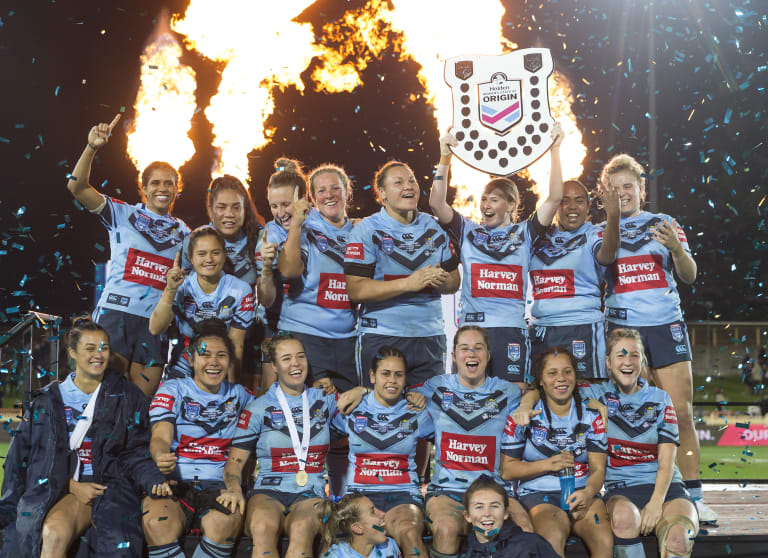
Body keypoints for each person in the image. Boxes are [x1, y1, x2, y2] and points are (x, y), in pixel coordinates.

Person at [598, 154, 715, 522]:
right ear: (606, 194)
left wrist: (678, 250)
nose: (623, 194)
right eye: (615, 189)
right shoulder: (600, 229)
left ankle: (693, 497)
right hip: (620, 329)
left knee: (680, 413)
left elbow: (690, 275)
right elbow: (600, 267)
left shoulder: (664, 223)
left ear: (642, 189)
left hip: (665, 326)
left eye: (628, 187)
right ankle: (618, 487)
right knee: (621, 414)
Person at [516, 329, 700, 558]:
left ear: (642, 361)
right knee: (623, 521)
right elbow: (542, 388)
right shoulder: (595, 392)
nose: (628, 362)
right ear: (608, 362)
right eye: (620, 355)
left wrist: (655, 503)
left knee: (678, 540)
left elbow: (667, 461)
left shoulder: (660, 398)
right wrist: (525, 405)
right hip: (622, 490)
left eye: (634, 355)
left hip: (667, 490)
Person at [0, 319, 170, 558]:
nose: (98, 355)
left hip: (113, 489)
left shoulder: (128, 396)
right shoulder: (46, 401)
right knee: (53, 532)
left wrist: (153, 479)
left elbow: (135, 451)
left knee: (119, 545)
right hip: (59, 487)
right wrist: (69, 485)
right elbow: (22, 460)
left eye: (104, 348)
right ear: (72, 352)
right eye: (90, 348)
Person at [429, 123, 564, 385]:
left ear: (512, 204)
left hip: (510, 331)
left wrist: (555, 150)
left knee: (513, 399)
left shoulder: (526, 232)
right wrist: (445, 155)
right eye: (484, 199)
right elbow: (436, 203)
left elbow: (555, 198)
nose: (485, 205)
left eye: (494, 199)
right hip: (472, 330)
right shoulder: (467, 229)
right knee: (467, 399)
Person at [66, 114, 190, 397]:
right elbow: (77, 187)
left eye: (168, 183)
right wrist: (92, 148)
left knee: (139, 408)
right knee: (101, 398)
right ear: (144, 188)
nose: (162, 188)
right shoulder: (123, 213)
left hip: (154, 325)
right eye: (155, 183)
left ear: (176, 190)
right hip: (115, 315)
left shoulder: (186, 233)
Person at [215, 334, 369, 558]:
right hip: (268, 490)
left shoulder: (324, 400)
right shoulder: (258, 408)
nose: (295, 364)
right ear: (275, 366)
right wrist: (233, 489)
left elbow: (374, 414)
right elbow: (234, 463)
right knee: (262, 526)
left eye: (300, 357)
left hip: (310, 492)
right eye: (286, 359)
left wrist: (363, 390)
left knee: (302, 527)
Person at [413, 326, 531, 558]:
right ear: (454, 356)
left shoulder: (508, 391)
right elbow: (391, 393)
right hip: (448, 490)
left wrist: (529, 399)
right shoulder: (434, 387)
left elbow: (538, 393)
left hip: (495, 490)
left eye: (478, 348)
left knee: (525, 530)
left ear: (488, 356)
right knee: (446, 529)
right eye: (464, 348)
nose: (471, 354)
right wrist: (362, 391)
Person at [142, 321, 254, 558]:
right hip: (174, 482)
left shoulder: (242, 396)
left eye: (221, 355)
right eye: (205, 355)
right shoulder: (172, 389)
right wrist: (160, 456)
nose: (214, 362)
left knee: (223, 524)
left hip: (220, 484)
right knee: (156, 523)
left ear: (230, 361)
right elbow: (160, 436)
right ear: (191, 360)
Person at [344, 160, 460, 388]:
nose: (409, 186)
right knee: (380, 415)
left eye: (412, 180)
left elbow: (455, 281)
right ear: (383, 193)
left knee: (428, 412)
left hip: (430, 336)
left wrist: (444, 281)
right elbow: (356, 289)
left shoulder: (435, 228)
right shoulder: (367, 230)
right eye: (398, 182)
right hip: (382, 336)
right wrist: (408, 284)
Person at [500, 348, 612, 558]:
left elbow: (598, 469)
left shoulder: (591, 414)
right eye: (552, 373)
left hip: (582, 491)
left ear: (575, 377)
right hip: (539, 495)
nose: (561, 378)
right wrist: (548, 464)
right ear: (541, 380)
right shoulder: (523, 413)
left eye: (567, 372)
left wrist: (587, 494)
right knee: (551, 538)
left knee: (604, 540)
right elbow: (507, 470)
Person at [330, 346, 433, 557]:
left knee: (410, 536)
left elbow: (448, 442)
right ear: (372, 376)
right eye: (385, 374)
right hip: (359, 495)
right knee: (331, 539)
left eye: (398, 375)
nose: (392, 380)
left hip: (403, 496)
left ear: (406, 379)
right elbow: (322, 442)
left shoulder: (416, 411)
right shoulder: (352, 407)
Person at [528, 180, 620, 380]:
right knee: (540, 398)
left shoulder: (592, 233)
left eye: (579, 201)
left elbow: (607, 256)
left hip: (582, 328)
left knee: (589, 397)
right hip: (542, 330)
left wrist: (613, 216)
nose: (571, 207)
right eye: (564, 201)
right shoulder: (537, 237)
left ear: (588, 207)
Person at [277, 164, 357, 393]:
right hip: (305, 335)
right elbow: (289, 271)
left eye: (335, 188)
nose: (329, 195)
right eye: (321, 191)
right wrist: (296, 225)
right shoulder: (306, 227)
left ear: (347, 192)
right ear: (312, 197)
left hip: (346, 341)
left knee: (345, 415)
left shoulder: (360, 232)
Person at [180, 174, 265, 392]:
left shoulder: (259, 238)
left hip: (246, 337)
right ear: (210, 208)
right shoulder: (194, 240)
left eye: (236, 207)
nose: (229, 214)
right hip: (202, 342)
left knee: (246, 401)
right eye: (222, 207)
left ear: (245, 209)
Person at [149, 226, 254, 383]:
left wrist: (232, 392)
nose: (209, 259)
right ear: (191, 258)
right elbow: (155, 328)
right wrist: (170, 290)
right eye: (201, 254)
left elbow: (236, 346)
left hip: (218, 368)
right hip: (182, 367)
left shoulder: (240, 290)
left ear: (224, 255)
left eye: (215, 253)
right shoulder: (180, 285)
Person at [255, 158, 308, 391]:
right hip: (277, 325)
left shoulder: (321, 224)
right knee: (273, 397)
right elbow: (265, 299)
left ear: (304, 198)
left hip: (313, 326)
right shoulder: (269, 234)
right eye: (273, 206)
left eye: (286, 204)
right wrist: (266, 269)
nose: (280, 213)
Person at [460, 477, 559, 558]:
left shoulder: (530, 545)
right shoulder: (466, 553)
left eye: (494, 506)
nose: (487, 513)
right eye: (479, 507)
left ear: (505, 513)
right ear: (467, 516)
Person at [323, 493, 403, 558]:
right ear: (358, 527)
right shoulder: (336, 555)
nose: (383, 513)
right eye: (372, 512)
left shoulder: (389, 546)